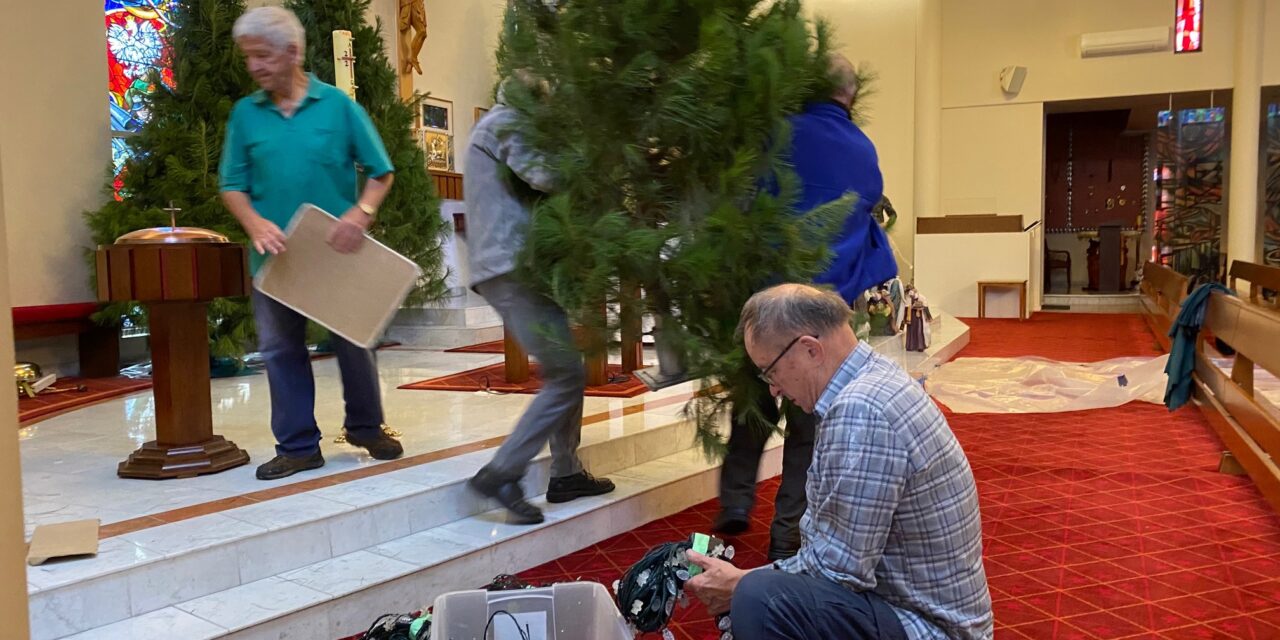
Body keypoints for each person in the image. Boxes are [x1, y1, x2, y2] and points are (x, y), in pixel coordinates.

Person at [688, 284, 992, 640]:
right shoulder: (873, 379)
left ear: (810, 350)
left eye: (769, 372)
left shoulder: (862, 410)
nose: (773, 389)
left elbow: (840, 570)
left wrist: (741, 584)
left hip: (927, 625)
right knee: (761, 591)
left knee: (761, 599)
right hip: (905, 605)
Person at [712, 54, 898, 560]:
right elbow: (870, 203)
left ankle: (733, 501)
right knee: (807, 429)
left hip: (767, 298)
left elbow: (745, 199)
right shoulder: (861, 147)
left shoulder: (776, 133)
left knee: (751, 404)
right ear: (851, 96)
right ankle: (787, 531)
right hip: (824, 305)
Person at [219, 6, 403, 480]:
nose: (255, 66)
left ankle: (365, 427)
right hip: (275, 256)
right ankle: (298, 446)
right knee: (280, 349)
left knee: (355, 341)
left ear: (293, 52)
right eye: (248, 58)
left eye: (263, 55)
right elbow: (231, 185)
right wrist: (254, 222)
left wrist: (361, 213)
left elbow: (381, 172)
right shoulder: (245, 115)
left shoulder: (338, 107)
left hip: (336, 251)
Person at [462, 76, 615, 525]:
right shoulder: (505, 123)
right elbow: (549, 176)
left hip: (520, 267)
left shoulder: (498, 123)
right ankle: (500, 473)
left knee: (568, 368)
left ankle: (566, 471)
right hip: (510, 268)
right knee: (566, 376)